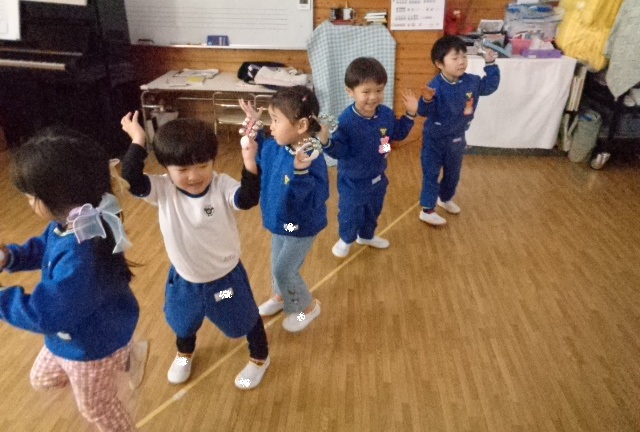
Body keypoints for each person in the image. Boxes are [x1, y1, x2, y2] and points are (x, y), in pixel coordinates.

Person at [0, 128, 144, 432]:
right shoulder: (73, 222)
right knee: (41, 379)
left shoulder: (81, 254)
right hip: (73, 335)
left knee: (97, 409)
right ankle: (124, 357)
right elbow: (45, 248)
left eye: (30, 197)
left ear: (57, 197)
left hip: (91, 347)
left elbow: (46, 314)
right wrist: (10, 257)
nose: (28, 202)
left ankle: (119, 360)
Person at [119, 113, 269, 389]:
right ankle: (184, 352)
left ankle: (260, 356)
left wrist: (250, 163)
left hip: (224, 283)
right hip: (185, 282)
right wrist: (139, 139)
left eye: (203, 165)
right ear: (166, 168)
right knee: (183, 321)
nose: (194, 176)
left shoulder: (221, 186)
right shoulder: (163, 189)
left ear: (212, 161)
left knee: (244, 316)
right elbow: (130, 176)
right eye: (182, 169)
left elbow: (247, 199)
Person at [240, 85, 328, 332]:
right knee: (276, 262)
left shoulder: (311, 157)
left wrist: (300, 173)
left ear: (301, 126)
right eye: (271, 119)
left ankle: (307, 307)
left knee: (284, 269)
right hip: (281, 222)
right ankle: (282, 295)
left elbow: (317, 196)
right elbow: (260, 156)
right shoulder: (274, 146)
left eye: (276, 120)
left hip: (300, 226)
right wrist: (253, 128)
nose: (272, 126)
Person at [323, 57, 418, 258]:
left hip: (378, 177)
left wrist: (410, 115)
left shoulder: (386, 114)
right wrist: (325, 142)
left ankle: (366, 236)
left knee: (373, 210)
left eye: (379, 90)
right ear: (350, 92)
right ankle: (346, 239)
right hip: (353, 180)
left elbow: (397, 133)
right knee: (350, 212)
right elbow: (339, 151)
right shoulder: (345, 121)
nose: (373, 97)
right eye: (366, 92)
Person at [417, 35, 500, 225]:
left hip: (457, 138)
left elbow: (490, 86)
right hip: (434, 140)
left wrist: (491, 64)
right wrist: (426, 100)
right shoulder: (434, 87)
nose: (461, 62)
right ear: (440, 63)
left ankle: (445, 198)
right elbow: (423, 112)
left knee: (453, 173)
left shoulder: (472, 81)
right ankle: (427, 210)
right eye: (455, 58)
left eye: (464, 56)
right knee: (431, 174)